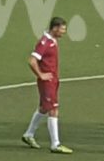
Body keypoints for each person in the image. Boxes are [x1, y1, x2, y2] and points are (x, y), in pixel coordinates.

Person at [22, 17, 73, 153]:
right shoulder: (44, 42)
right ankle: (55, 144)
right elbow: (32, 61)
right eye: (62, 29)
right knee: (53, 109)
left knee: (44, 108)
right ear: (55, 28)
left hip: (53, 80)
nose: (64, 32)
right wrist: (41, 75)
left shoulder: (52, 40)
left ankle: (28, 134)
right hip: (47, 82)